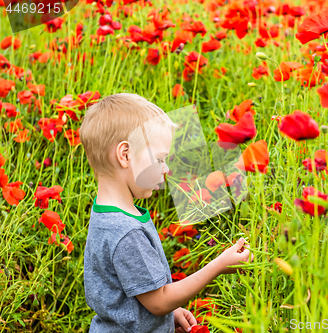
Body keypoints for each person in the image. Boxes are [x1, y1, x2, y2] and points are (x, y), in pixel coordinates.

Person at [80, 93, 253, 332]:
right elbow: (158, 301)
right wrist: (220, 264)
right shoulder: (126, 232)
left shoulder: (108, 214)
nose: (166, 169)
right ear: (125, 155)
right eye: (160, 159)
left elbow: (133, 296)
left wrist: (168, 316)